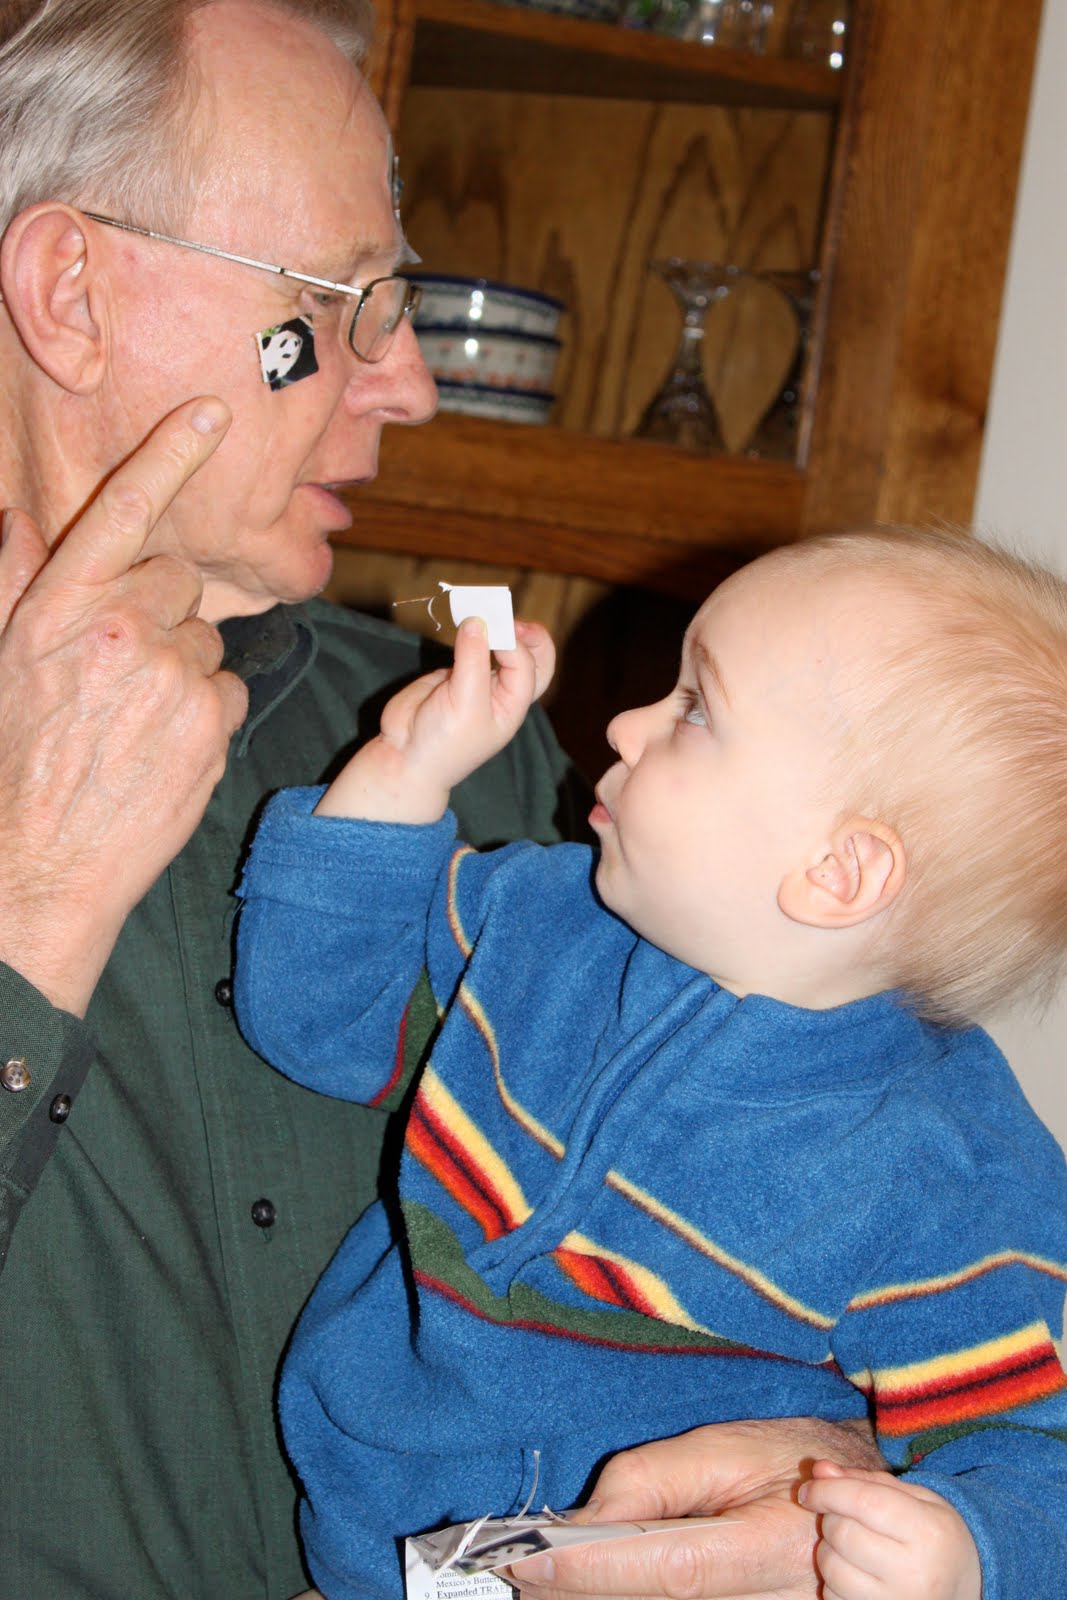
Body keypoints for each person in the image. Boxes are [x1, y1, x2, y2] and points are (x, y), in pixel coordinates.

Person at [0, 3, 883, 1598]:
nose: (406, 383)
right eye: (342, 304)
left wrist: (822, 1463)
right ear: (72, 291)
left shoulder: (448, 743)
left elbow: (746, 1174)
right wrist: (36, 899)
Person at [234, 526, 1067, 1600]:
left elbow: (1036, 1451)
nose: (625, 723)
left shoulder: (945, 1175)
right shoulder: (535, 923)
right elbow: (319, 1021)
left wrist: (968, 1553)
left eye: (694, 709)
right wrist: (405, 772)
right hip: (362, 1549)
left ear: (837, 871)